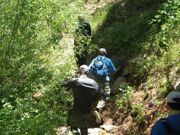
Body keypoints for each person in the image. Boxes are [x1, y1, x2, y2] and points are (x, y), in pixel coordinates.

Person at [61, 65, 107, 135]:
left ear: (79, 72)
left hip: (76, 111)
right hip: (87, 112)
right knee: (83, 127)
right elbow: (102, 94)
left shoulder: (75, 81)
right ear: (88, 73)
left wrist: (68, 83)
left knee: (74, 127)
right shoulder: (93, 83)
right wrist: (95, 109)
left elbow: (63, 84)